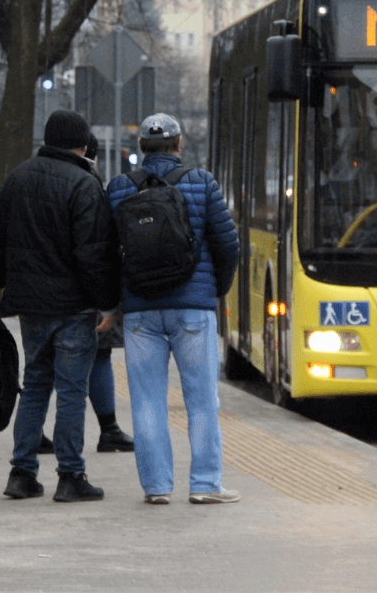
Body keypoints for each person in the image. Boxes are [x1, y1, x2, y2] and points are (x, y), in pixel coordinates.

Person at [0, 110, 121, 503]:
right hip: (74, 310)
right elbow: (94, 255)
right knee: (72, 391)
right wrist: (107, 304)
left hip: (31, 309)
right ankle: (70, 476)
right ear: (81, 144)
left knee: (36, 385)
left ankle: (21, 472)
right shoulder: (85, 184)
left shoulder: (18, 177)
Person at [106, 113, 240, 505]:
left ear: (141, 149)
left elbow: (107, 253)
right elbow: (227, 245)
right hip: (193, 309)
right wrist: (216, 291)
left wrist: (113, 304)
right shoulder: (201, 182)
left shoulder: (117, 189)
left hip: (140, 311)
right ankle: (205, 485)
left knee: (147, 400)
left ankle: (157, 487)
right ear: (179, 145)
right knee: (202, 400)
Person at [80, 130, 134, 454]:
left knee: (41, 364)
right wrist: (108, 303)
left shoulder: (27, 178)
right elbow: (100, 246)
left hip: (39, 295)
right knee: (98, 356)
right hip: (83, 293)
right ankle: (108, 429)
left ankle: (30, 446)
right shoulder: (90, 185)